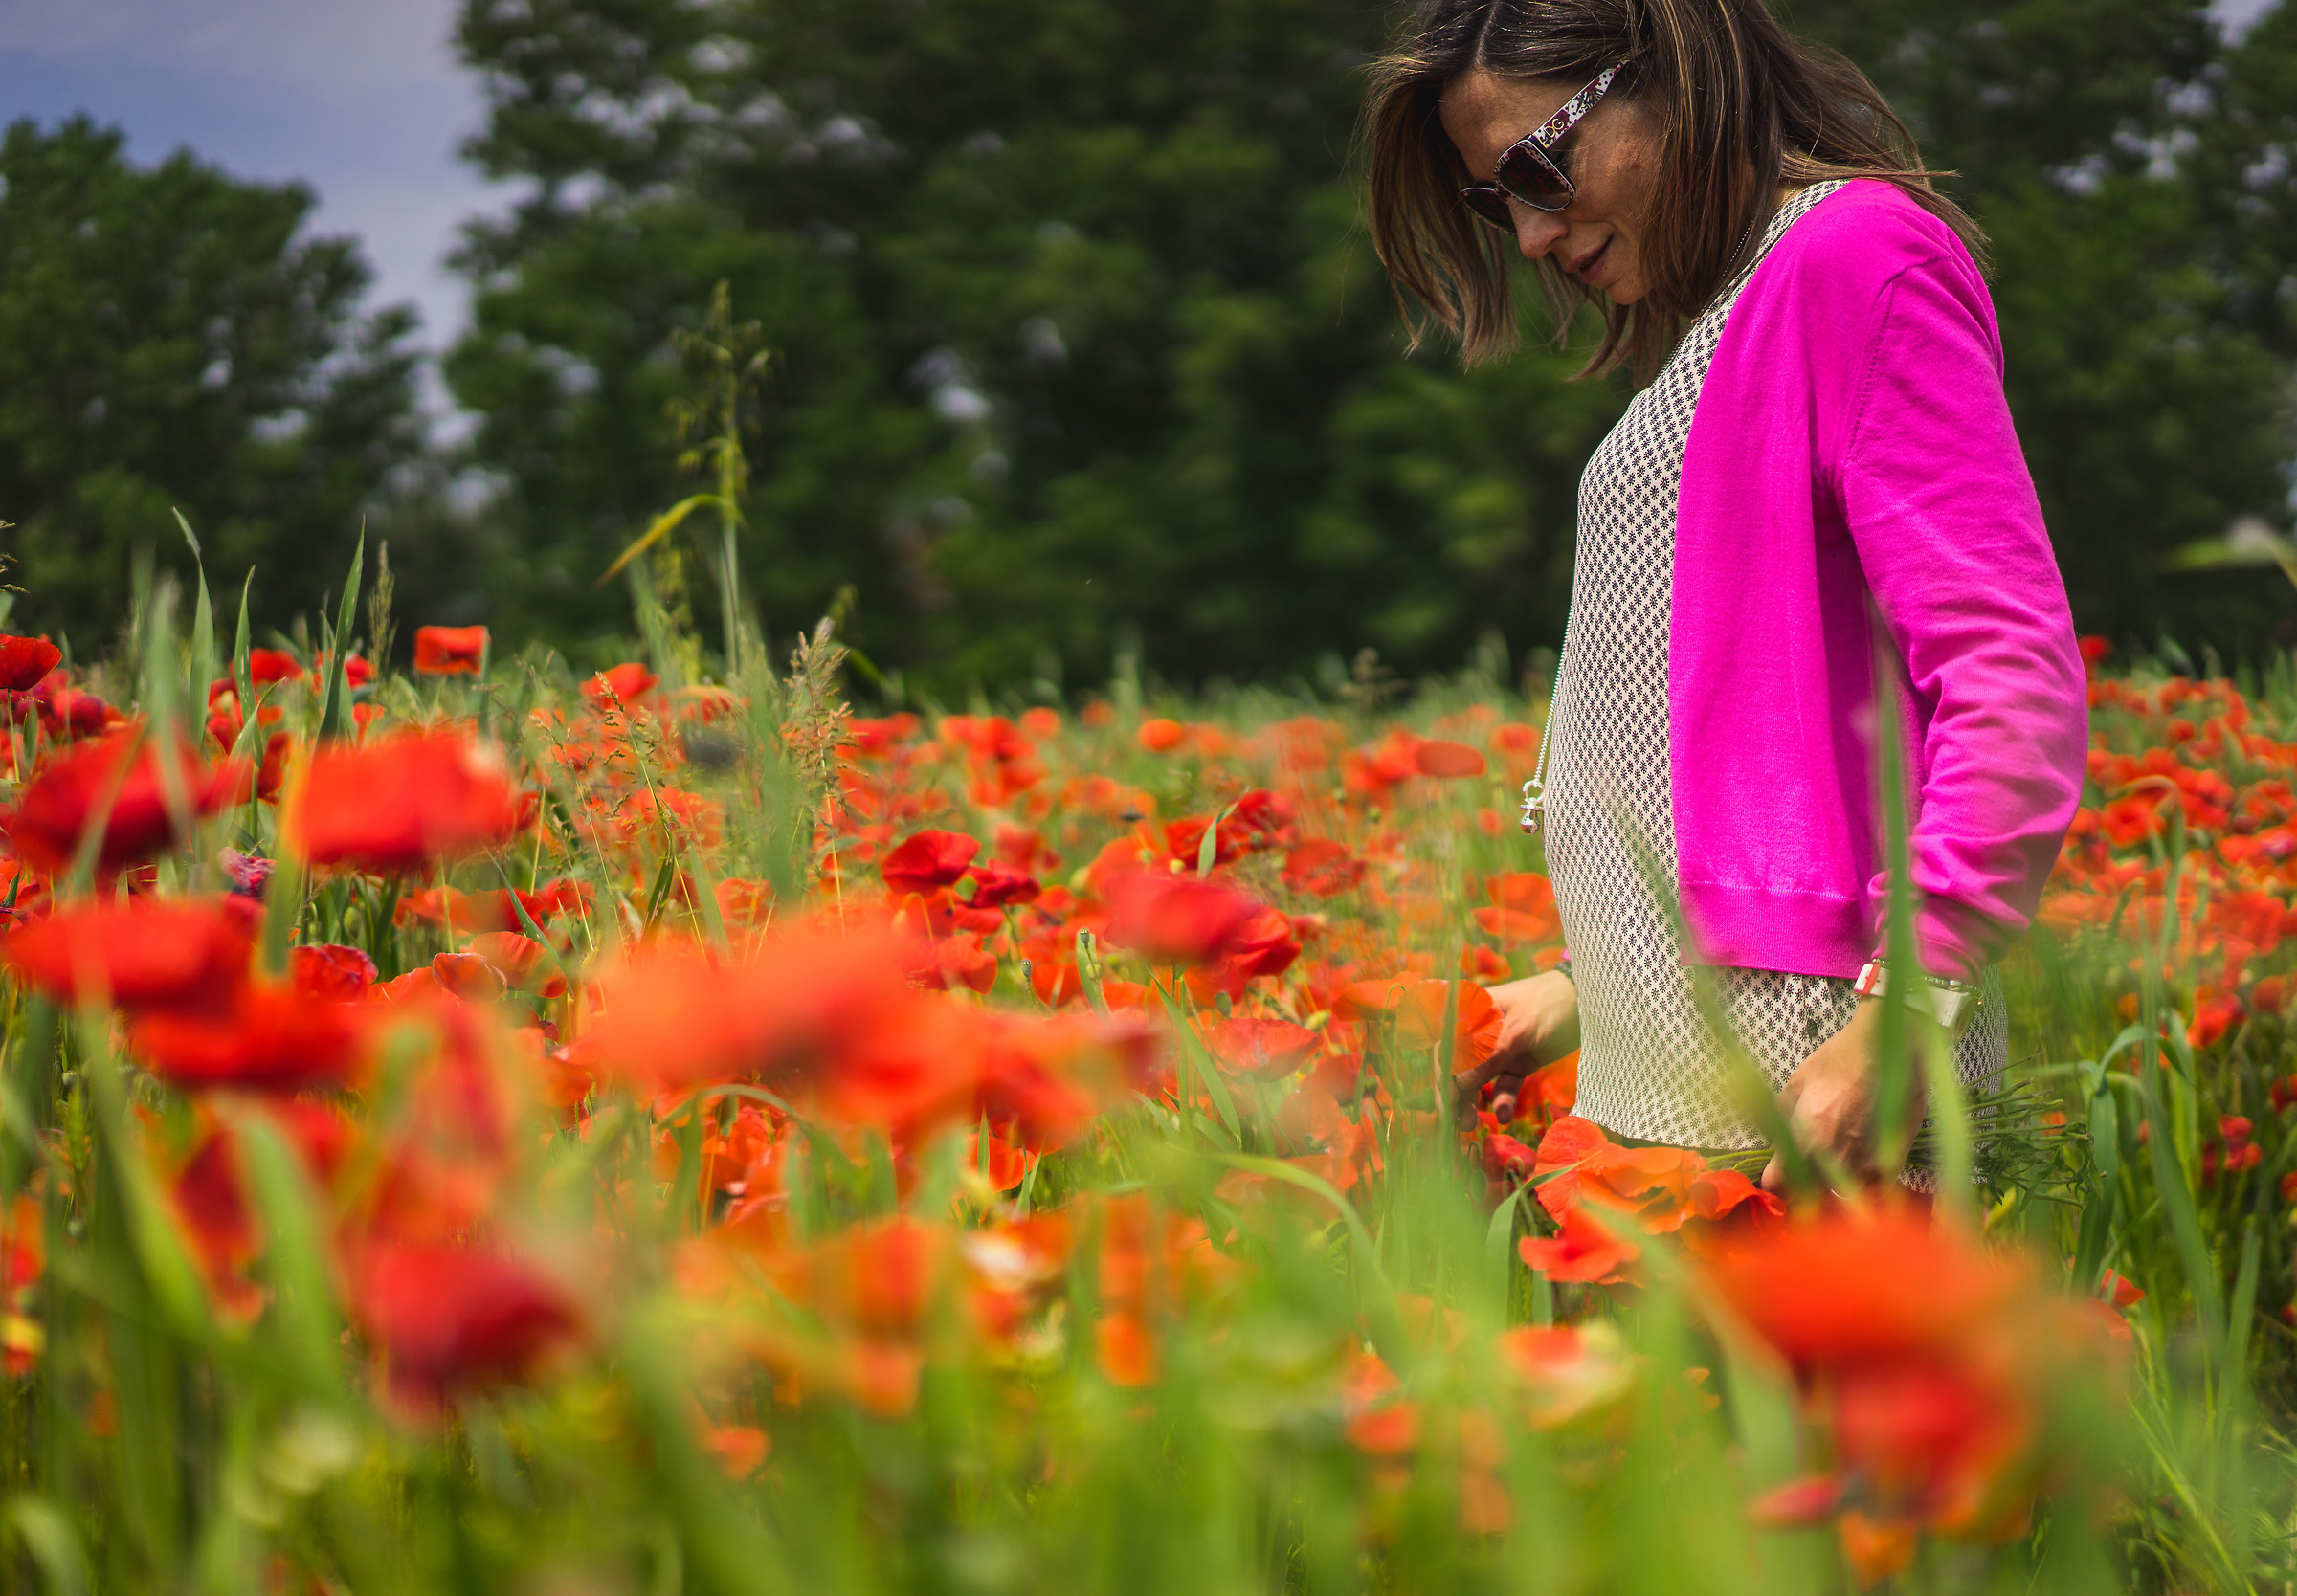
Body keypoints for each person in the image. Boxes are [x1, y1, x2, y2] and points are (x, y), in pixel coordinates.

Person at [1359, 0, 2088, 1190]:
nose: (1531, 235)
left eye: (1538, 168)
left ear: (1669, 73)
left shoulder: (1856, 258)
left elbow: (2009, 667)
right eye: (1499, 200)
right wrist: (1582, 987)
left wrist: (1910, 1007)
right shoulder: (1741, 306)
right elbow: (1748, 760)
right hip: (1715, 1047)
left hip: (1812, 1060)